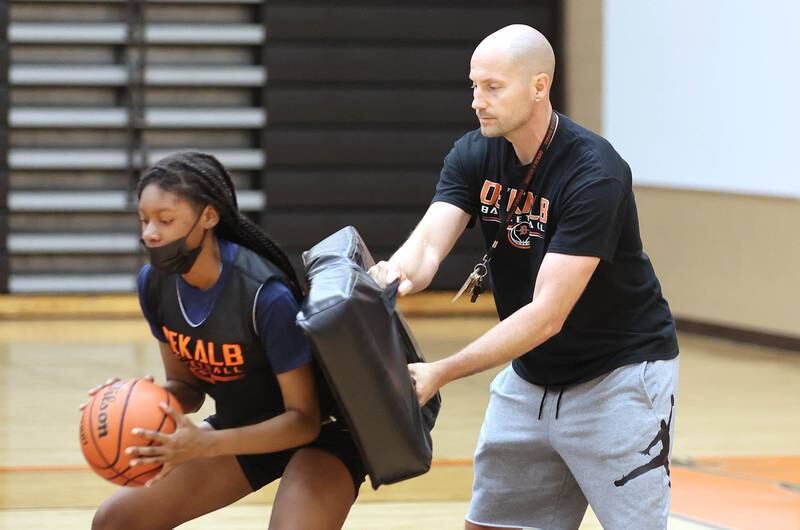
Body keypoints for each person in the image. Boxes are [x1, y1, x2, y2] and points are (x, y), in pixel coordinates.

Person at [369, 25, 679, 530]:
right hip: (533, 377)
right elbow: (425, 248)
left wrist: (441, 371)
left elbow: (546, 314)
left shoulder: (594, 173)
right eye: (473, 86)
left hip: (618, 378)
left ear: (539, 87)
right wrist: (389, 276)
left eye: (493, 87)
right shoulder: (474, 153)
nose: (477, 101)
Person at [82, 151, 365, 530]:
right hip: (243, 431)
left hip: (324, 432)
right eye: (145, 219)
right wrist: (132, 401)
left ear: (209, 216)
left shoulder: (264, 296)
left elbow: (303, 422)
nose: (150, 232)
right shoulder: (155, 285)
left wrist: (206, 444)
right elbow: (187, 387)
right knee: (115, 521)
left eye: (165, 220)